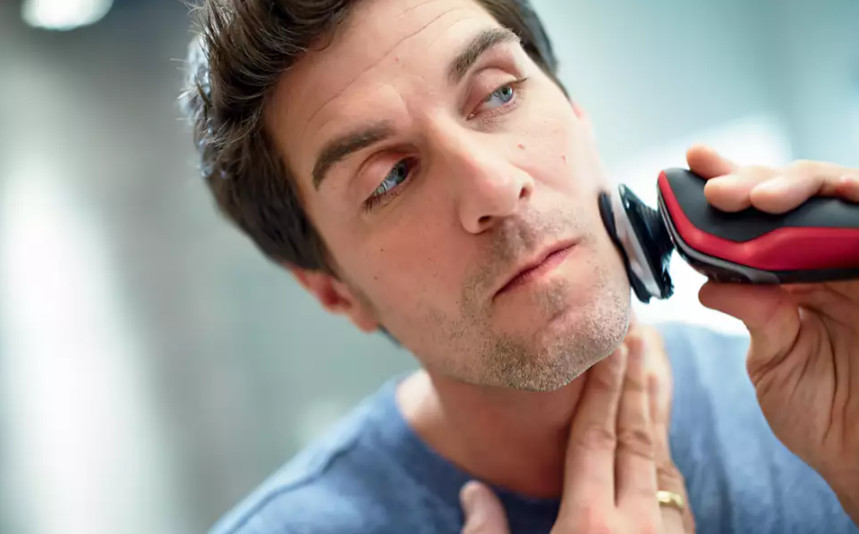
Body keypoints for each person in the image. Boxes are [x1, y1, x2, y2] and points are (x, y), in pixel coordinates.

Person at [181, 0, 859, 532]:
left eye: (499, 94)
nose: (496, 188)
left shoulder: (827, 399)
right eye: (390, 177)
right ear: (334, 292)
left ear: (577, 114)